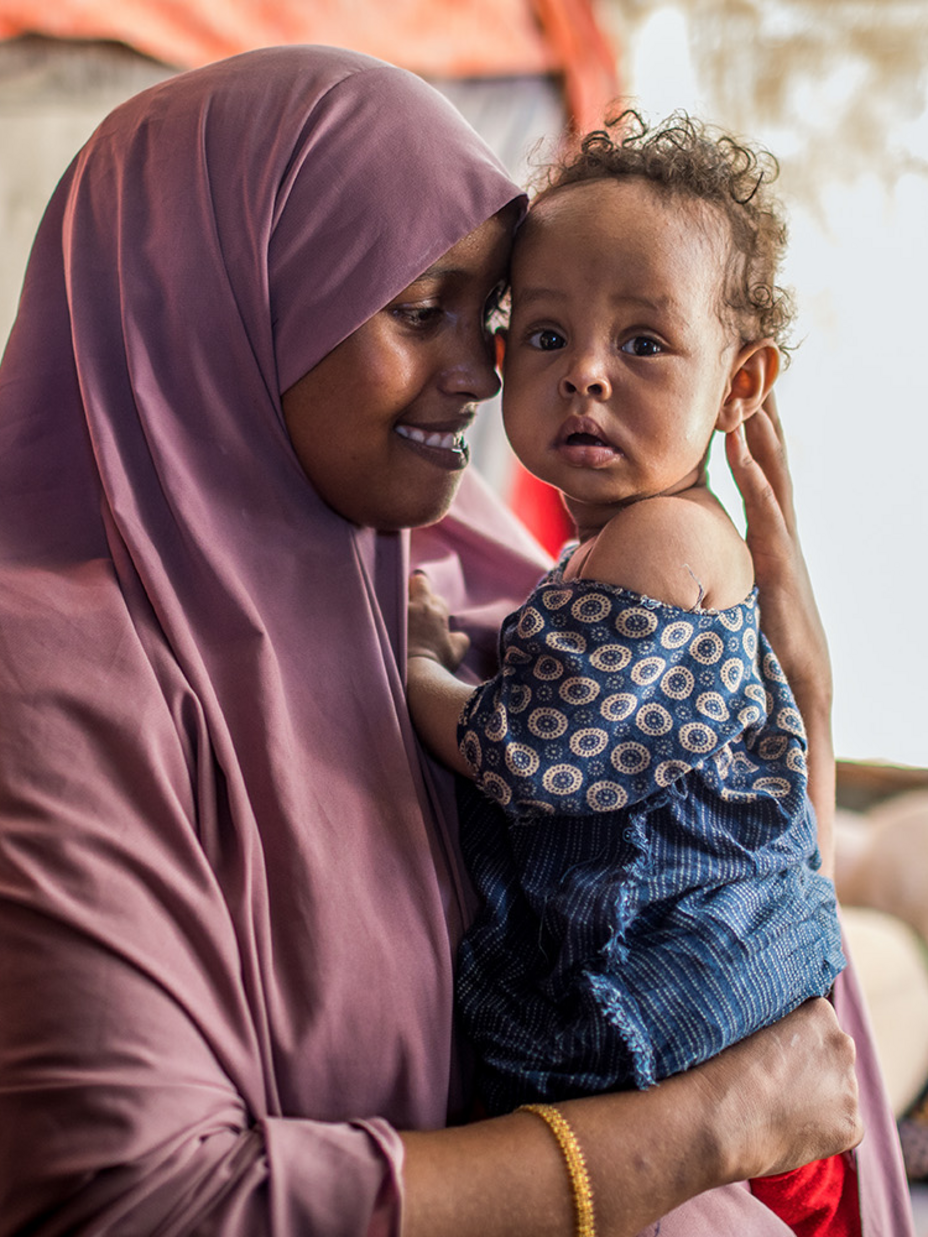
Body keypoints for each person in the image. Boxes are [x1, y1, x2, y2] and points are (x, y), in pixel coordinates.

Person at [0, 45, 907, 1237]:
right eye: (426, 313)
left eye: (485, 320)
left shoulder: (418, 548)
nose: (481, 376)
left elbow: (727, 886)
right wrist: (698, 1131)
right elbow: (134, 1203)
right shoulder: (53, 673)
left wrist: (806, 703)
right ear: (220, 311)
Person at [404, 113, 903, 1235]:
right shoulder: (603, 544)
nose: (583, 374)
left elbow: (532, 753)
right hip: (697, 1036)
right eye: (543, 336)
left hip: (697, 1050)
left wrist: (422, 668)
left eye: (642, 344)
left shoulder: (666, 544)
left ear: (741, 385)